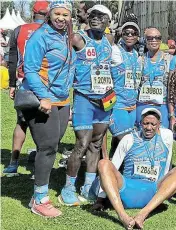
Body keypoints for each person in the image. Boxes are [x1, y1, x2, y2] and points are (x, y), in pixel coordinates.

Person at [19, 0, 75, 217]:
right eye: (57, 14)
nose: (61, 18)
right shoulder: (39, 36)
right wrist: (44, 97)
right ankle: (40, 199)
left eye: (66, 14)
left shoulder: (66, 36)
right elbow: (30, 70)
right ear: (49, 14)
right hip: (43, 99)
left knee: (53, 144)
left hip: (62, 100)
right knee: (48, 147)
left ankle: (39, 190)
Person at [60, 4, 117, 206]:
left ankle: (88, 187)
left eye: (101, 17)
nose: (96, 19)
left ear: (108, 22)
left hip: (105, 100)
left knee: (96, 144)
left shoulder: (110, 40)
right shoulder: (79, 38)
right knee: (82, 144)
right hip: (84, 98)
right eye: (93, 16)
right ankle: (67, 187)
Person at [96, 108, 176, 229]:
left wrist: (166, 187)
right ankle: (123, 216)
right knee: (103, 163)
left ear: (159, 125)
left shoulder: (167, 136)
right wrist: (100, 200)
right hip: (128, 190)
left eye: (153, 124)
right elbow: (113, 167)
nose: (149, 127)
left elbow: (167, 162)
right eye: (145, 123)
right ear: (140, 123)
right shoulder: (128, 139)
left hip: (153, 193)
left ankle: (143, 214)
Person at [3, 0, 48, 176]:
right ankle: (40, 164)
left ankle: (13, 163)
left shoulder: (19, 30)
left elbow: (12, 59)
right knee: (44, 123)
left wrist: (12, 85)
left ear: (33, 13)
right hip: (46, 83)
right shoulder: (51, 31)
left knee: (21, 123)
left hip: (24, 82)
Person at [108, 20, 142, 156]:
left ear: (137, 36)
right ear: (121, 34)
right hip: (117, 104)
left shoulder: (136, 54)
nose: (130, 36)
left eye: (133, 33)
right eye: (126, 33)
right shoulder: (115, 50)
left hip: (132, 106)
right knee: (127, 141)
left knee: (118, 143)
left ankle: (113, 168)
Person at [136, 27, 171, 130]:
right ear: (145, 40)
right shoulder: (140, 60)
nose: (154, 40)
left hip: (162, 105)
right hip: (143, 104)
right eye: (150, 38)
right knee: (142, 136)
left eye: (157, 38)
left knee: (162, 136)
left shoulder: (168, 59)